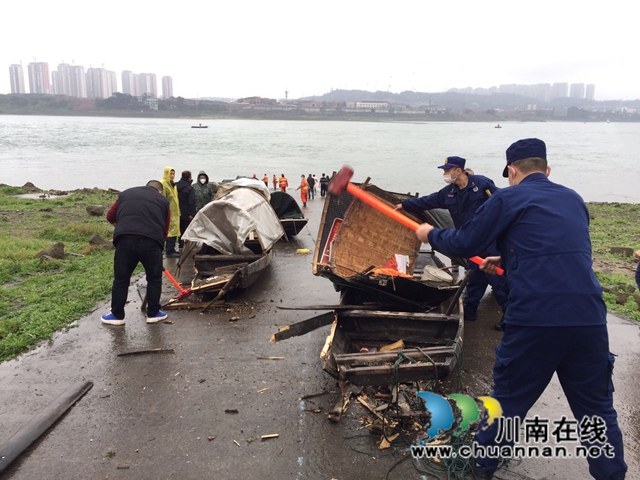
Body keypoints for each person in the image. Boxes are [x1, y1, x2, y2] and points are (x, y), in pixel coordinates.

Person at [416, 139, 627, 480]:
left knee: (509, 403)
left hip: (536, 319)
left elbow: (464, 242)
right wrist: (509, 260)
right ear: (547, 169)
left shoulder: (507, 196)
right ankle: (612, 474)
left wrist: (429, 234)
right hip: (588, 319)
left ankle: (482, 469)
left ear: (512, 171)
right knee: (597, 411)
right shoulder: (573, 199)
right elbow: (561, 251)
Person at [396, 156, 509, 325]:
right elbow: (428, 201)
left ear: (458, 171)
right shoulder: (449, 192)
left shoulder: (481, 184)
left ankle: (508, 318)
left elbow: (504, 200)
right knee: (474, 278)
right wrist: (405, 205)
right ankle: (470, 312)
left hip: (490, 241)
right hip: (471, 244)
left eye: (447, 170)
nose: (445, 174)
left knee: (498, 282)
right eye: (444, 171)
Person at [101, 180, 170, 326]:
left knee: (121, 279)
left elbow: (110, 216)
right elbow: (165, 228)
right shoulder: (163, 201)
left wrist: (125, 227)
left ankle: (117, 315)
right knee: (154, 278)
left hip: (125, 240)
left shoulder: (125, 194)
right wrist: (158, 247)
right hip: (151, 242)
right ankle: (153, 313)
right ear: (160, 191)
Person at [160, 166, 181, 258]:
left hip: (175, 211)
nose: (172, 175)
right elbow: (163, 198)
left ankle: (172, 248)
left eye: (173, 174)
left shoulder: (173, 184)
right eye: (170, 173)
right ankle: (169, 250)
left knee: (175, 230)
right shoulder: (163, 184)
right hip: (169, 211)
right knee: (170, 231)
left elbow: (175, 198)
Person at [176, 170, 196, 249]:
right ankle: (186, 245)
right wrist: (192, 213)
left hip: (177, 211)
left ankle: (180, 245)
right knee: (187, 229)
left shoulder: (176, 186)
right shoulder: (190, 189)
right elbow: (191, 202)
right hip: (187, 212)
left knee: (179, 229)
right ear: (189, 177)